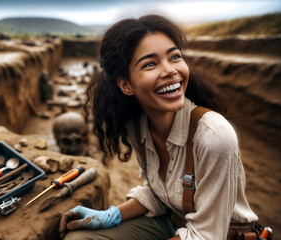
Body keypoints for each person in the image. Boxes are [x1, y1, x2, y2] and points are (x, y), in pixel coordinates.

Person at [59, 14, 258, 240]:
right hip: (172, 220)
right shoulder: (138, 127)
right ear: (126, 85)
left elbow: (206, 235)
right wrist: (109, 215)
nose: (170, 70)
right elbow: (159, 194)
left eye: (174, 57)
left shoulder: (214, 137)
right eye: (150, 64)